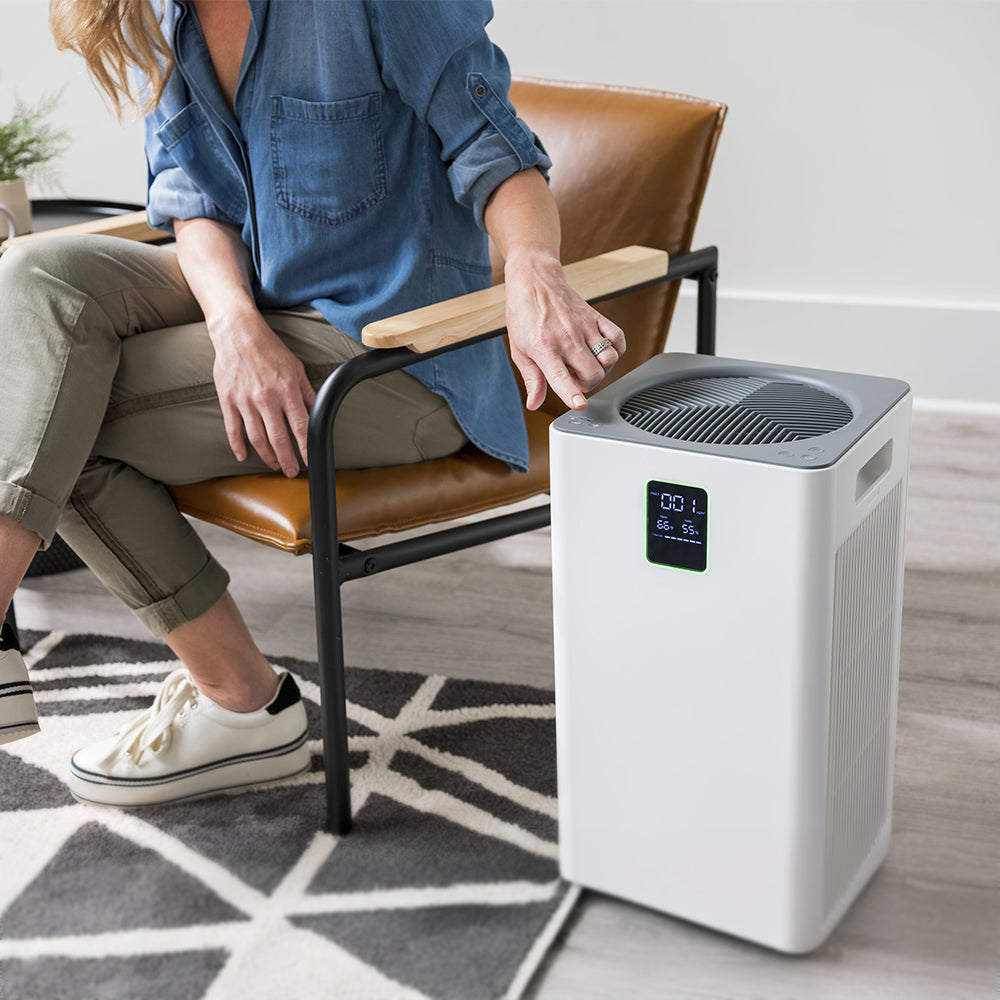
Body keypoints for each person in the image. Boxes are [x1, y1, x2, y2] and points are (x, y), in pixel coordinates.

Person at [0, 0, 624, 806]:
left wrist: (535, 269)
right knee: (31, 276)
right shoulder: (167, 14)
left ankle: (242, 703)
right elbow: (193, 201)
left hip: (395, 351)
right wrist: (235, 329)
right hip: (258, 304)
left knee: (57, 412)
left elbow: (493, 145)